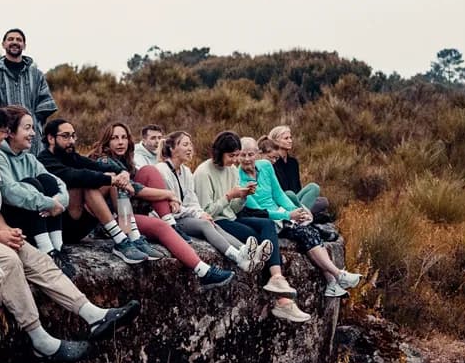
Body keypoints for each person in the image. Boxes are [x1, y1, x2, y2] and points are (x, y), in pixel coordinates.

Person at [0, 104, 139, 363]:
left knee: (34, 256)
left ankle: (93, 315)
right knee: (8, 260)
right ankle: (39, 339)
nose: (6, 138)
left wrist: (5, 231)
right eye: (4, 132)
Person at [93, 121, 235, 291]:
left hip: (128, 212)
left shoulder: (127, 161)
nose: (121, 142)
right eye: (115, 138)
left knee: (149, 171)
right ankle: (203, 271)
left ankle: (170, 222)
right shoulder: (103, 160)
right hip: (111, 219)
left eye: (124, 137)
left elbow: (136, 187)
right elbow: (134, 188)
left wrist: (170, 197)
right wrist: (169, 194)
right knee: (160, 226)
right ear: (107, 142)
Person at [194, 131, 310, 322]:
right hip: (217, 222)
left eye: (236, 155)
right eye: (231, 156)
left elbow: (234, 208)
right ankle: (283, 302)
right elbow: (207, 211)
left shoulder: (231, 170)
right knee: (259, 243)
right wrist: (230, 196)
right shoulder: (203, 172)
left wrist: (243, 196)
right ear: (219, 153)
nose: (235, 160)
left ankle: (277, 279)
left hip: (231, 216)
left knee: (267, 225)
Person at [238, 137, 361, 298]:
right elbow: (256, 209)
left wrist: (297, 211)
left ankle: (332, 283)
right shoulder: (237, 176)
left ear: (257, 154)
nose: (247, 159)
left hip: (281, 213)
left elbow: (279, 194)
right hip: (268, 218)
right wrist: (288, 215)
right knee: (305, 233)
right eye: (243, 155)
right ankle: (337, 275)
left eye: (250, 154)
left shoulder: (266, 166)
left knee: (309, 230)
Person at [155, 130, 271, 276]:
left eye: (190, 144)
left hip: (188, 215)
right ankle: (239, 258)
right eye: (185, 144)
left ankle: (246, 252)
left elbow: (192, 201)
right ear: (172, 148)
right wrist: (202, 212)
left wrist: (241, 196)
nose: (190, 148)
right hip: (170, 220)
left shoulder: (185, 171)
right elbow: (171, 208)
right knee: (206, 223)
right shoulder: (162, 170)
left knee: (210, 222)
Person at [37, 118, 148, 264]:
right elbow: (73, 176)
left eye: (73, 136)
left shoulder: (72, 156)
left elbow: (97, 166)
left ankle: (132, 236)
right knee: (89, 182)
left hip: (81, 222)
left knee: (113, 180)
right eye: (65, 136)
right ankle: (120, 240)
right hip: (63, 227)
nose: (71, 141)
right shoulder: (44, 160)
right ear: (51, 138)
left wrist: (122, 173)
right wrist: (110, 179)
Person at [0, 105, 76, 278]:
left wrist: (58, 202)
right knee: (31, 183)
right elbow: (9, 191)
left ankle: (57, 247)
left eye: (33, 127)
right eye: (27, 128)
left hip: (38, 219)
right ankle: (47, 251)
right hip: (14, 221)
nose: (33, 133)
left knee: (46, 180)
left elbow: (57, 182)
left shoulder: (30, 159)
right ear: (10, 132)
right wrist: (47, 203)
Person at [0, 28, 58, 140]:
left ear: (24, 45)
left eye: (19, 40)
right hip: (2, 137)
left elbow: (46, 105)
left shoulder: (36, 75)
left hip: (31, 138)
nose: (15, 42)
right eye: (10, 39)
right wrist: (3, 124)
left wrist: (32, 123)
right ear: (3, 44)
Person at [266, 125, 327, 217]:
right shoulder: (272, 162)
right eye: (286, 138)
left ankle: (300, 213)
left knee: (318, 193)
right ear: (276, 141)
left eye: (290, 137)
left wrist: (298, 199)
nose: (290, 140)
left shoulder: (293, 162)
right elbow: (278, 192)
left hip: (296, 200)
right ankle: (303, 214)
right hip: (282, 201)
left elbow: (298, 187)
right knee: (289, 194)